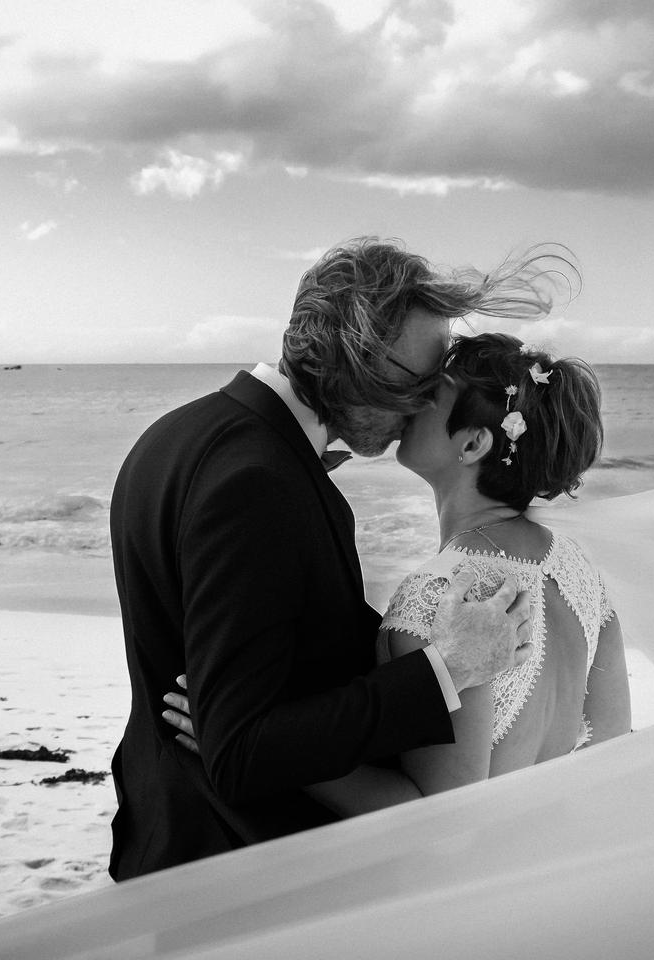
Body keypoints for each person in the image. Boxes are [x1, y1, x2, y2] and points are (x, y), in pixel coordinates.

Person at [108, 238, 561, 880]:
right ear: (357, 362)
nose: (425, 407)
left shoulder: (177, 434)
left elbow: (271, 641)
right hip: (232, 861)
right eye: (420, 384)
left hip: (182, 832)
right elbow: (240, 750)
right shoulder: (257, 482)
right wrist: (446, 667)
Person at [294, 332, 631, 815]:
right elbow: (614, 749)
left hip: (467, 877)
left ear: (473, 443)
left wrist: (274, 757)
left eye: (430, 395)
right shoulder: (577, 567)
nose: (408, 401)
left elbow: (436, 818)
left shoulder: (445, 597)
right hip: (547, 861)